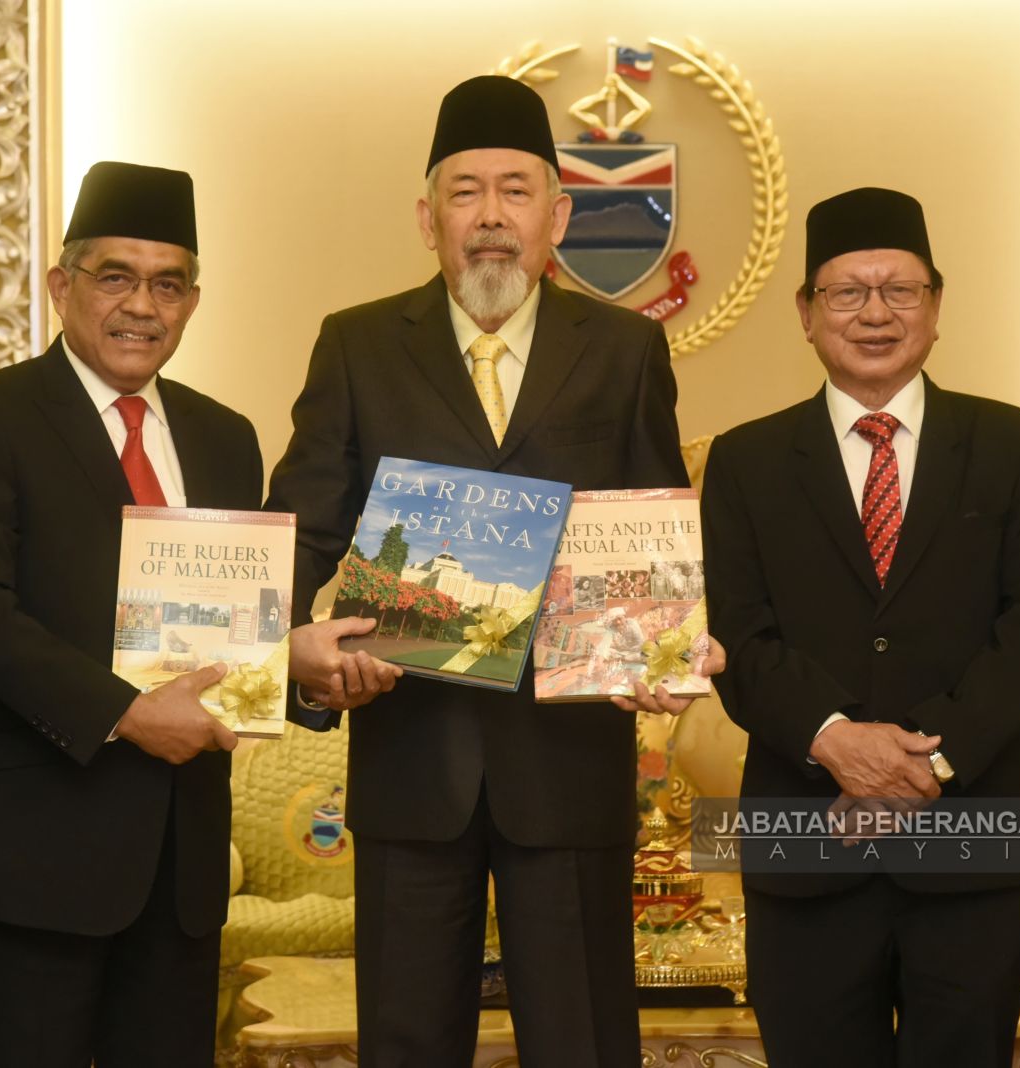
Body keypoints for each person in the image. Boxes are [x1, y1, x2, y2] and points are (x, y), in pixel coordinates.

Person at [266, 75, 716, 1068]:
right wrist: (289, 648)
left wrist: (666, 643)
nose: (490, 217)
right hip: (410, 761)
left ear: (558, 216)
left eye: (516, 191)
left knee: (582, 1040)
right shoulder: (358, 344)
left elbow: (650, 534)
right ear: (427, 219)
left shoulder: (625, 350)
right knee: (406, 1040)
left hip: (568, 764)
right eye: (464, 192)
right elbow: (301, 524)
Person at [0, 161, 397, 1068]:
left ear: (192, 302)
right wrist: (127, 715)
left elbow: (230, 624)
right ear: (61, 286)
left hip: (181, 866)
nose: (142, 305)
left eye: (167, 284)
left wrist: (297, 670)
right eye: (115, 277)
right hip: (36, 857)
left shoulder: (223, 436)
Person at [701, 186, 1020, 1067]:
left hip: (969, 847)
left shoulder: (1018, 445)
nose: (875, 314)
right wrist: (834, 739)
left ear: (936, 307)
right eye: (847, 292)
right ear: (806, 312)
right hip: (807, 845)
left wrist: (925, 763)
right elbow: (736, 634)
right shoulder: (746, 460)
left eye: (900, 290)